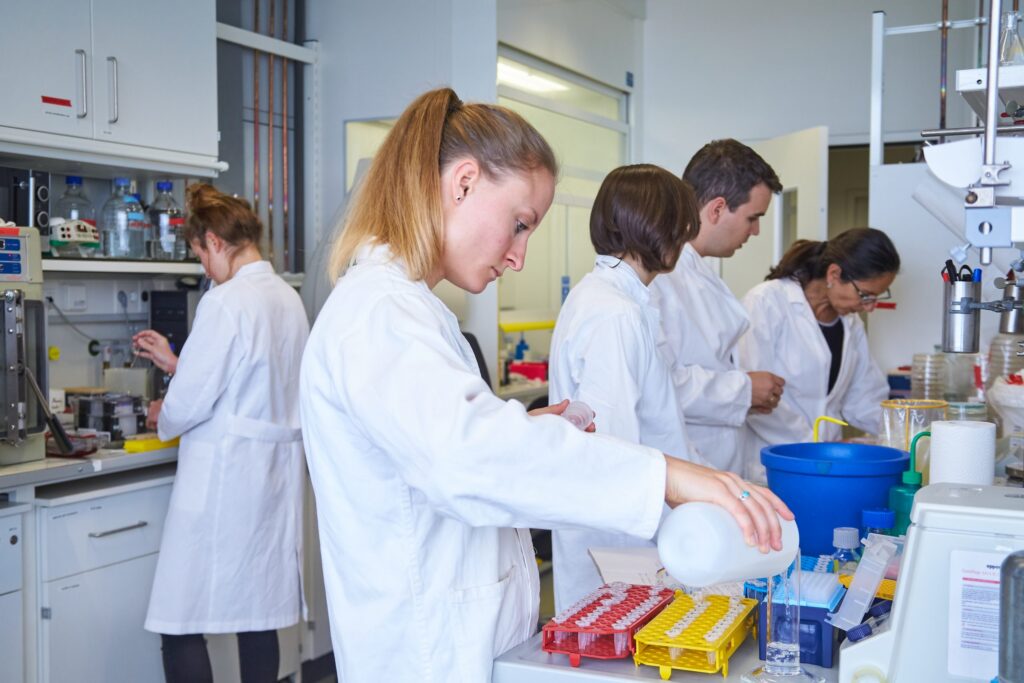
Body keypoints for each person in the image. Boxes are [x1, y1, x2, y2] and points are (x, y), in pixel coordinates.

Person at [299, 87, 792, 683]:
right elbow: (465, 458)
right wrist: (669, 477)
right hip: (426, 654)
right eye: (519, 224)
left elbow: (433, 448)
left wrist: (528, 430)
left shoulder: (411, 309)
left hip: (460, 639)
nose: (519, 257)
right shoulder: (379, 312)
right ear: (463, 183)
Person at [132, 184, 309, 683]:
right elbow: (251, 379)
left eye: (200, 258)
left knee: (180, 621)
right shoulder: (286, 299)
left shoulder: (227, 300)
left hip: (223, 484)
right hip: (269, 483)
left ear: (213, 241)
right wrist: (177, 362)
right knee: (257, 619)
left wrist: (160, 412)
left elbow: (189, 404)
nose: (204, 271)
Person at [548, 164, 701, 612]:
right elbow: (612, 446)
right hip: (617, 546)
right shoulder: (613, 312)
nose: (686, 237)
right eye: (682, 224)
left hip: (630, 531)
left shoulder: (616, 300)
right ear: (656, 226)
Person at [649, 139, 786, 474]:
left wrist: (744, 393)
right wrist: (743, 390)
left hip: (712, 468)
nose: (755, 231)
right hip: (680, 470)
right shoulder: (659, 278)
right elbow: (657, 384)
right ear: (717, 209)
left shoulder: (695, 271)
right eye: (753, 218)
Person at [737, 227, 900, 476]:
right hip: (773, 463)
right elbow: (755, 398)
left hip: (825, 463)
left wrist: (906, 429)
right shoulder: (767, 302)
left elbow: (863, 399)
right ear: (834, 273)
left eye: (876, 298)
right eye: (865, 295)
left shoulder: (850, 323)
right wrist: (816, 447)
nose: (870, 307)